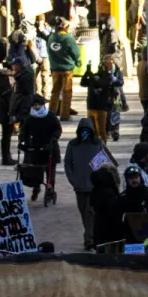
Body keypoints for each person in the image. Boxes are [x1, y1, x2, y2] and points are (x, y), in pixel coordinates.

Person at [65, 117, 109, 245]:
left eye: (87, 130)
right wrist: (73, 179)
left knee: (90, 212)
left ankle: (89, 238)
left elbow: (105, 161)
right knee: (84, 212)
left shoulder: (98, 144)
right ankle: (91, 234)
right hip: (79, 186)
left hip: (93, 186)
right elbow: (68, 163)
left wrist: (100, 179)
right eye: (82, 130)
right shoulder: (73, 145)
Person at [47, 19, 82, 117]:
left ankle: (51, 113)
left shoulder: (51, 38)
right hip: (67, 69)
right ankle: (65, 114)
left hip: (54, 69)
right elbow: (76, 53)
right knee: (66, 92)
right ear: (65, 27)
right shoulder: (68, 38)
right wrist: (77, 61)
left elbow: (49, 52)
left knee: (55, 92)